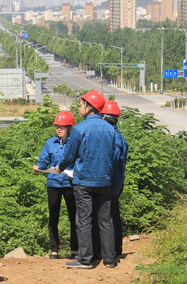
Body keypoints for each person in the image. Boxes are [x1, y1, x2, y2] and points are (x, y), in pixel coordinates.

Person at [56, 90, 117, 269]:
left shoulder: (80, 129)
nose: (79, 107)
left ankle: (85, 259)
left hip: (84, 181)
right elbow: (113, 154)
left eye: (81, 104)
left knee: (84, 220)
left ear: (89, 107)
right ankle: (109, 259)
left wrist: (60, 166)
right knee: (106, 220)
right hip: (105, 180)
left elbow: (70, 154)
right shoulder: (109, 128)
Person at [33, 111, 78, 260]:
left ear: (69, 128)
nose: (59, 129)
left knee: (74, 217)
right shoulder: (50, 143)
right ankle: (54, 250)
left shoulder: (74, 142)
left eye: (62, 127)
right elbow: (43, 161)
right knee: (53, 217)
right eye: (57, 126)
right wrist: (38, 167)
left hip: (70, 183)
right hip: (53, 183)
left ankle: (75, 249)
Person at [100, 100, 128, 257]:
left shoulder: (113, 137)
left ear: (104, 118)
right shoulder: (118, 135)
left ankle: (112, 251)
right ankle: (116, 249)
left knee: (108, 216)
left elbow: (113, 159)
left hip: (111, 182)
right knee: (114, 214)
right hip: (117, 181)